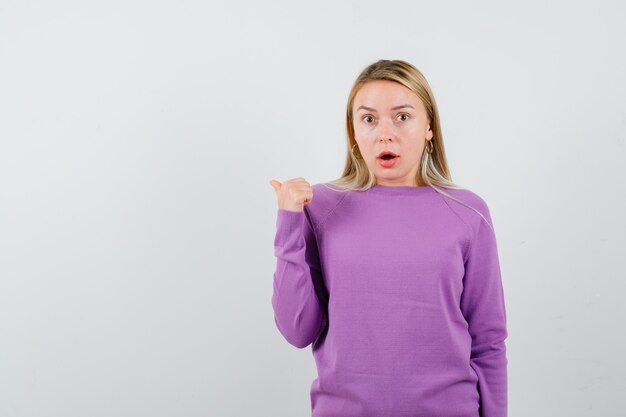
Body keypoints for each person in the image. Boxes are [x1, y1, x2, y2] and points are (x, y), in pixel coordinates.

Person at [269, 59, 508, 417]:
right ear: (353, 132)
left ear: (429, 126)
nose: (385, 133)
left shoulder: (468, 212)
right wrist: (289, 222)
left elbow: (488, 342)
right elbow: (297, 330)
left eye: (402, 117)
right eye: (369, 119)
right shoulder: (320, 208)